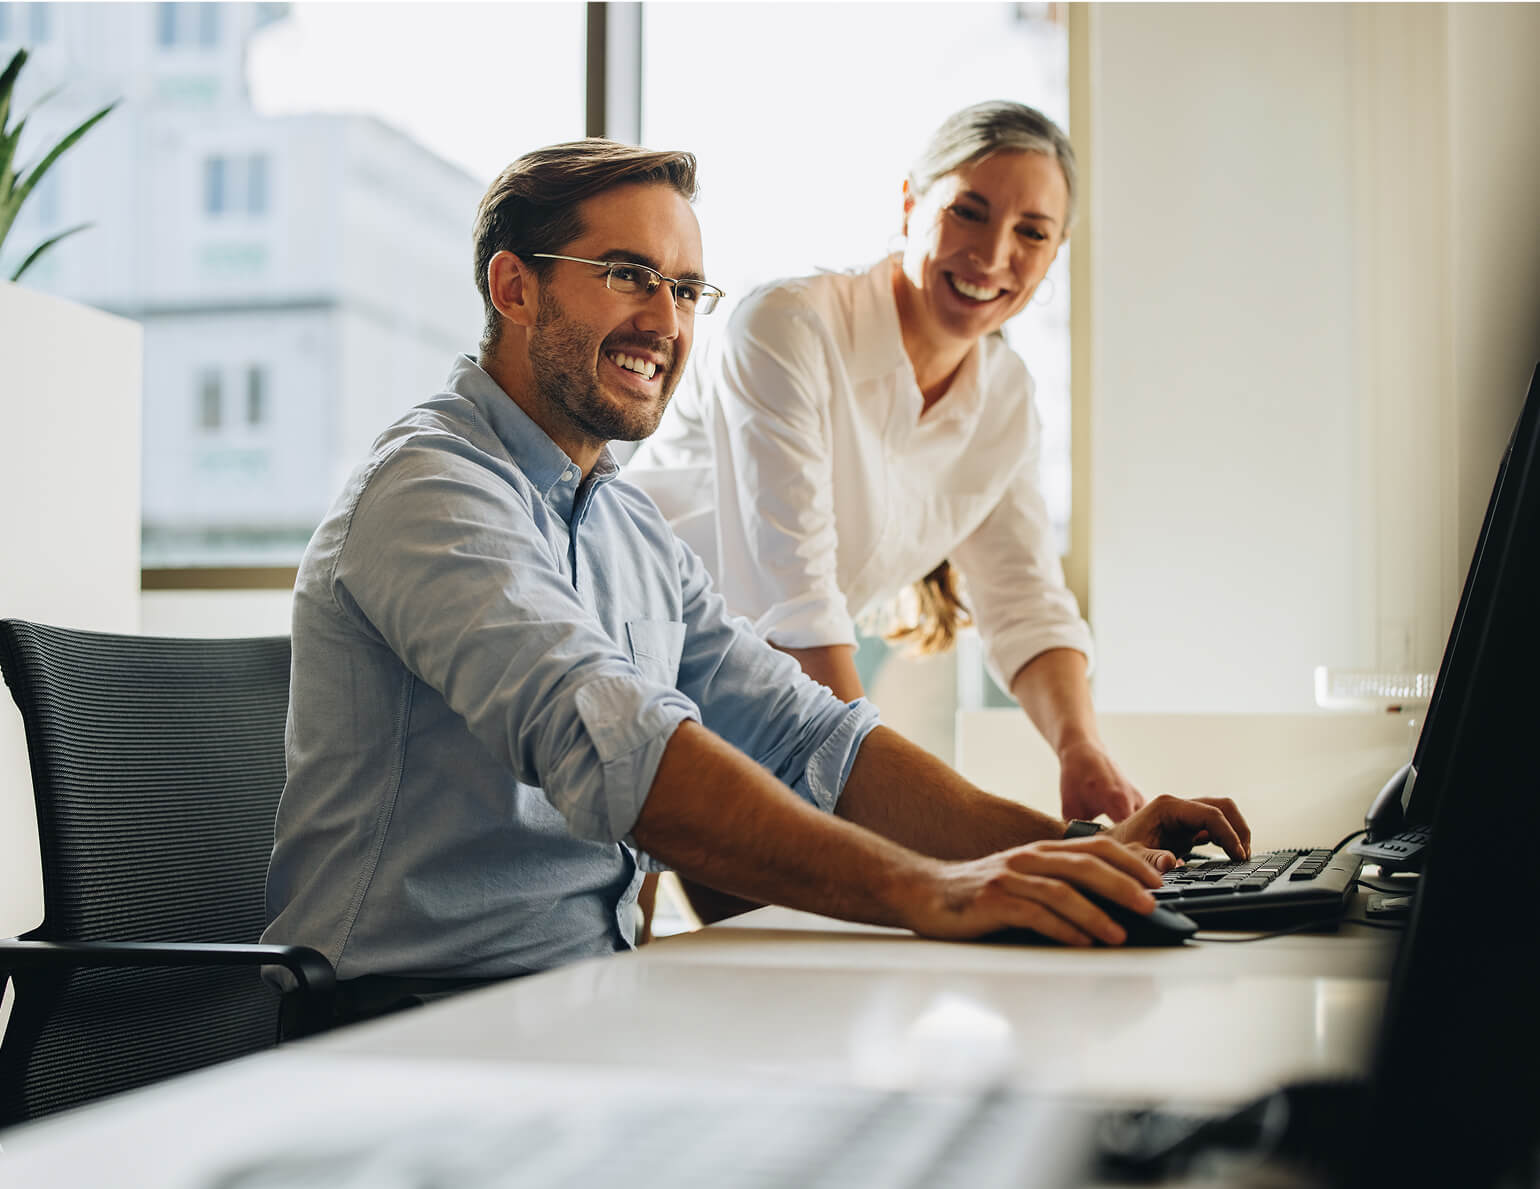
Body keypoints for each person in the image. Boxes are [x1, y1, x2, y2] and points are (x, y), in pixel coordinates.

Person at [262, 139, 1250, 1022]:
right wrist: (930, 887)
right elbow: (620, 747)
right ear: (514, 288)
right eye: (628, 275)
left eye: (687, 289)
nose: (666, 321)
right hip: (409, 1026)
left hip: (582, 1002)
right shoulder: (433, 491)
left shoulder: (628, 527)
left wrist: (1078, 848)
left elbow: (812, 732)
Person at [628, 101, 1137, 828]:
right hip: (631, 671)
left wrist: (1081, 751)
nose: (993, 254)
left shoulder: (1006, 398)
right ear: (909, 203)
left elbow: (1025, 600)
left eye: (1032, 232)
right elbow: (795, 611)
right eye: (968, 212)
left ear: (1056, 252)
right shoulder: (788, 327)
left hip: (753, 705)